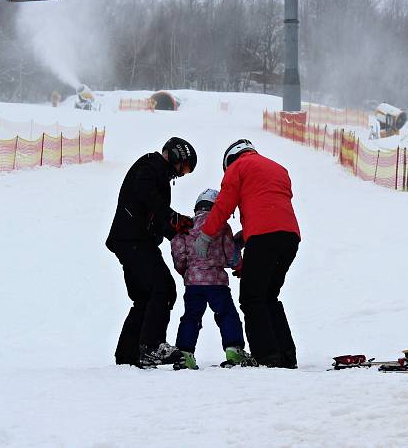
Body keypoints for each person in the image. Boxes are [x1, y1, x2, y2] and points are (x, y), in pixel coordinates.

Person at [193, 139, 301, 368]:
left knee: (252, 298)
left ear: (229, 160)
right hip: (290, 237)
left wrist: (206, 235)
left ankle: (266, 357)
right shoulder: (278, 168)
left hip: (264, 238)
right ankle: (286, 356)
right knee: (269, 296)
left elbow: (224, 204)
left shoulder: (238, 167)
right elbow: (269, 205)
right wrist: (246, 234)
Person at [106, 137, 197, 368]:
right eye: (184, 168)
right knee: (163, 288)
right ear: (176, 156)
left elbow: (156, 216)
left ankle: (128, 354)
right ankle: (152, 346)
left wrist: (176, 231)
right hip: (133, 239)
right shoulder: (149, 166)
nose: (182, 174)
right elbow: (147, 196)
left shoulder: (160, 176)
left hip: (134, 240)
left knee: (144, 298)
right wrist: (172, 217)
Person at [171, 189, 255, 370]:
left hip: (193, 283)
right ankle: (234, 349)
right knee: (227, 315)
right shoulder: (222, 226)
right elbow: (230, 254)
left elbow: (178, 252)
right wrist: (239, 265)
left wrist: (186, 271)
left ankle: (184, 354)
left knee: (191, 317)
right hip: (217, 282)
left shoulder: (186, 226)